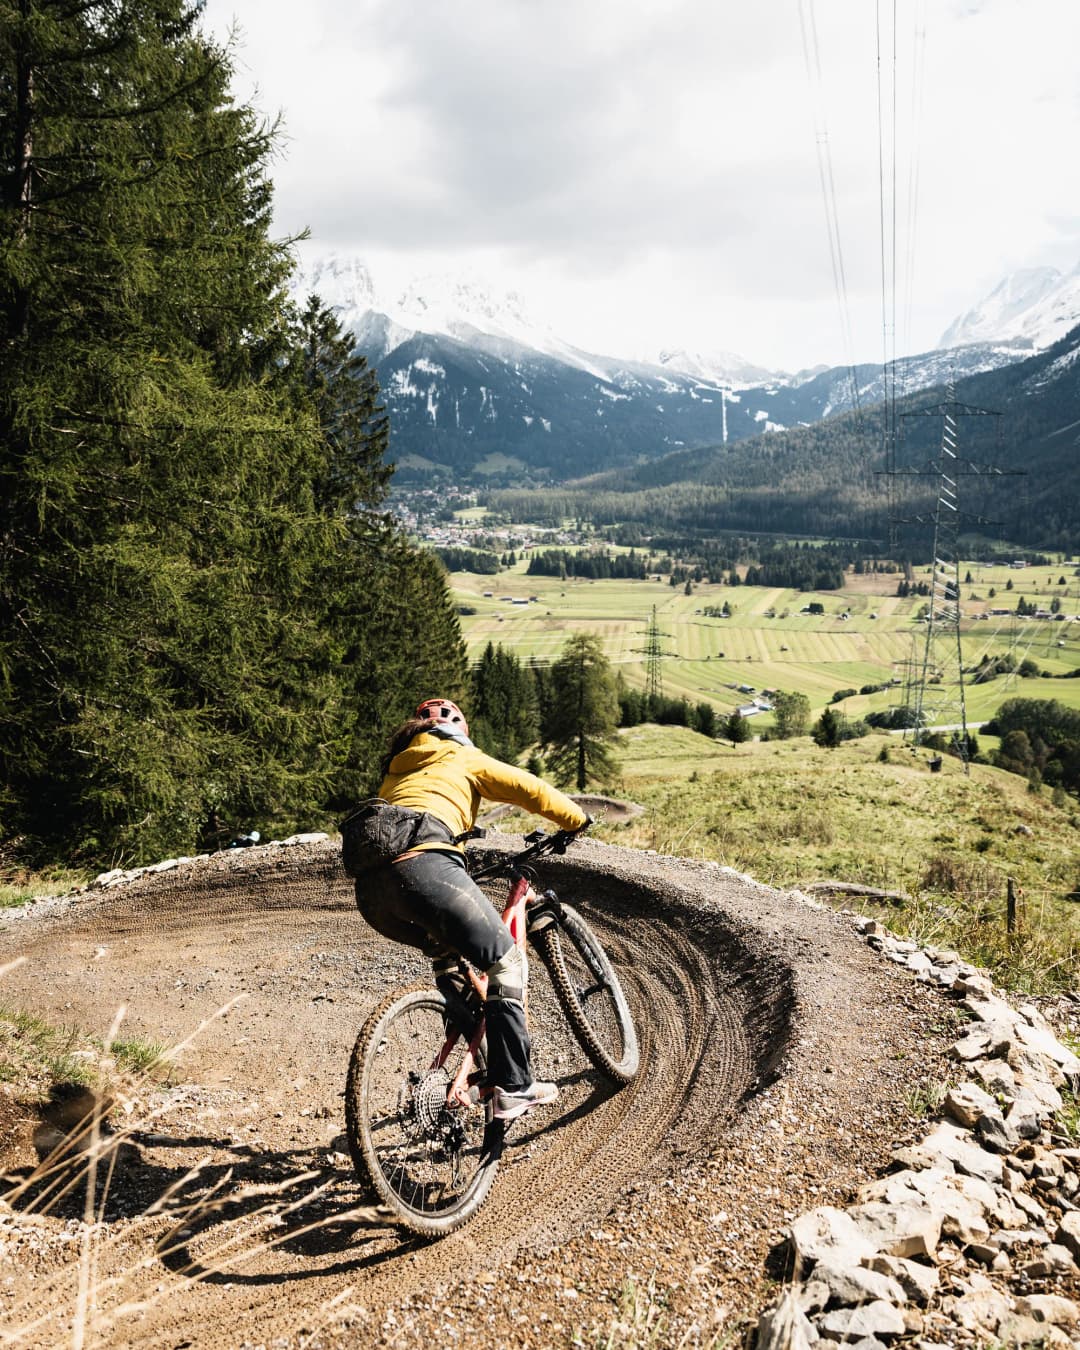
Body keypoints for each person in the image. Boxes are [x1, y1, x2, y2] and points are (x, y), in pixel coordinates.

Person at [354, 697, 590, 1121]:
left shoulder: (396, 770)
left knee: (450, 957)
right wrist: (575, 819)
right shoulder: (461, 755)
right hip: (426, 868)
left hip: (373, 894)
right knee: (506, 963)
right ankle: (515, 1086)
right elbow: (528, 789)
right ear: (458, 730)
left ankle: (460, 1025)